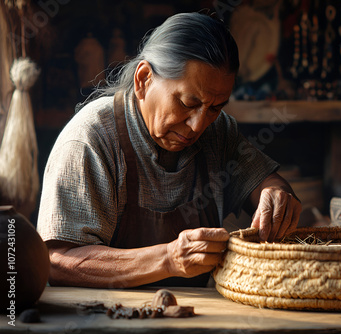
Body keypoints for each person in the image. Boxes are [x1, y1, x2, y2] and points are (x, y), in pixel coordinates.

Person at [37, 12, 301, 288]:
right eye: (188, 103)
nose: (198, 125)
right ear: (144, 79)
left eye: (214, 107)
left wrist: (276, 194)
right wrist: (168, 259)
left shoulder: (217, 131)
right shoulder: (90, 138)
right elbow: (58, 261)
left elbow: (263, 180)